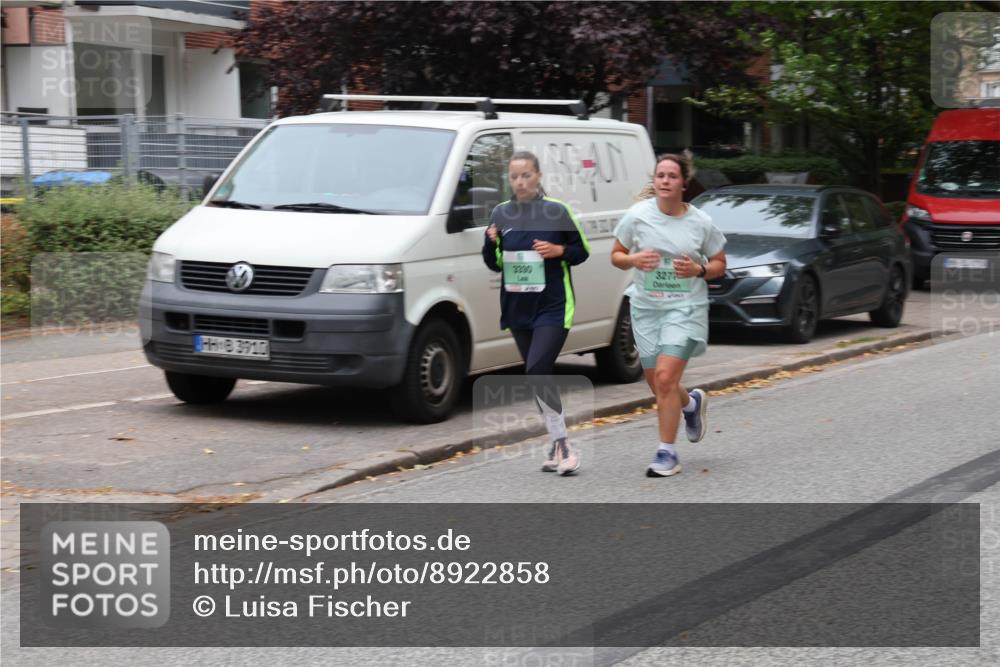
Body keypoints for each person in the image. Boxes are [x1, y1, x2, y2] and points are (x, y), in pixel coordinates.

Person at [611, 153, 727, 477]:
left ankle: (667, 453)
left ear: (683, 184)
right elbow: (616, 256)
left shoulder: (700, 222)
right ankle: (690, 405)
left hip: (684, 308)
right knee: (658, 384)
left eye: (671, 176)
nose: (665, 181)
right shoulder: (637, 216)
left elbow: (720, 263)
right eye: (660, 175)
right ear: (655, 181)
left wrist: (699, 269)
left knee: (665, 378)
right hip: (646, 309)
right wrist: (634, 260)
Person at [482, 150, 591, 475]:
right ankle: (556, 445)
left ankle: (565, 446)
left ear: (539, 176)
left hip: (553, 307)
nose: (520, 181)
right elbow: (494, 262)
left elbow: (581, 252)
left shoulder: (557, 211)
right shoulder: (501, 213)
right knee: (538, 377)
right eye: (514, 176)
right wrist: (491, 242)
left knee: (536, 369)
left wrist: (559, 251)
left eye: (526, 175)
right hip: (518, 308)